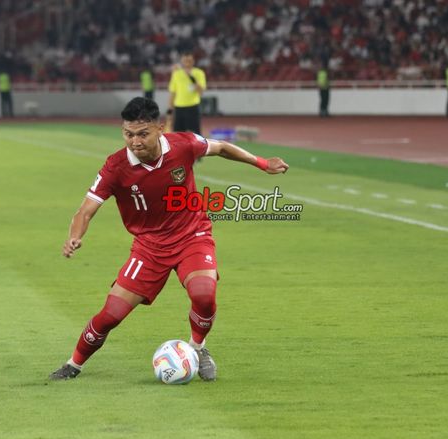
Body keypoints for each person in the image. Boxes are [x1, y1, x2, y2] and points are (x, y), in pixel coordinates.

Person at [49, 97, 289, 381]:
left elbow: (222, 147)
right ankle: (73, 364)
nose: (135, 141)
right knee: (111, 314)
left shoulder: (183, 145)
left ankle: (198, 347)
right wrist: (74, 237)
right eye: (128, 134)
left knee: (203, 294)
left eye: (142, 134)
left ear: (159, 128)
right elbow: (85, 210)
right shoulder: (115, 167)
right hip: (149, 248)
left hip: (192, 235)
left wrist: (261, 163)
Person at [168, 52, 206, 134]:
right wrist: (170, 110)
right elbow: (173, 93)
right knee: (178, 134)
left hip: (193, 107)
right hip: (179, 108)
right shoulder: (176, 74)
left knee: (195, 134)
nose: (187, 62)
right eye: (185, 60)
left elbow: (201, 91)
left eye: (189, 60)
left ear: (193, 61)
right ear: (182, 61)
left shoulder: (199, 73)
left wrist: (191, 77)